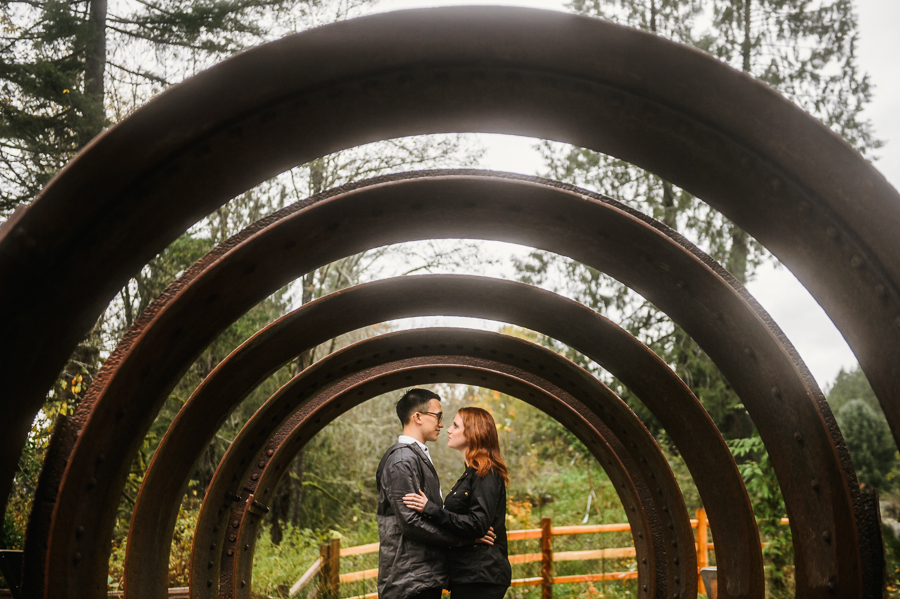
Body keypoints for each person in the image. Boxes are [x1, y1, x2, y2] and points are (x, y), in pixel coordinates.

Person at [377, 389, 494, 599]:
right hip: (409, 581)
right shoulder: (403, 460)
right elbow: (411, 523)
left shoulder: (415, 457)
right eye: (438, 416)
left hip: (423, 577)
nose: (441, 424)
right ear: (418, 417)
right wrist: (466, 540)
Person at [404, 407, 512, 599]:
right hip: (468, 574)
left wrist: (429, 508)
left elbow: (478, 524)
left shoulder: (485, 471)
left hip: (481, 575)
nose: (448, 429)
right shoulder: (471, 473)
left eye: (455, 425)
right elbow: (469, 524)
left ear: (473, 432)